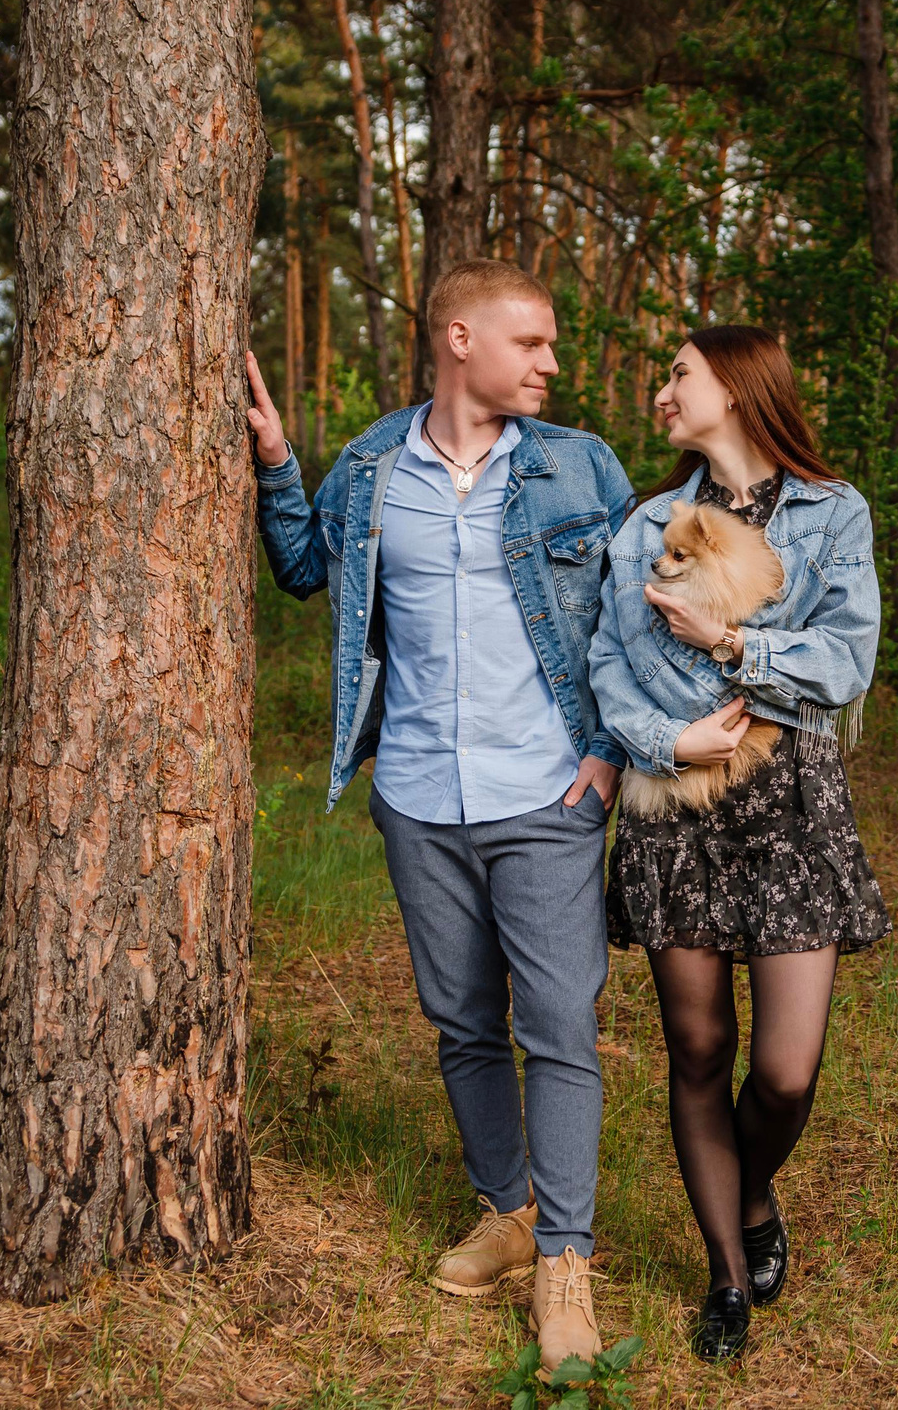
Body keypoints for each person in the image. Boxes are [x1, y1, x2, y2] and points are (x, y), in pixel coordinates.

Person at [248, 260, 633, 1376]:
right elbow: (304, 572)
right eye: (534, 343)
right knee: (461, 1018)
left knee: (559, 1025)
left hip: (547, 793)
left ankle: (564, 1260)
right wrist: (278, 464)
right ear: (459, 339)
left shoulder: (577, 467)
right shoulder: (371, 466)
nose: (552, 364)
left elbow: (629, 615)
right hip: (418, 793)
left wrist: (609, 751)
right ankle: (506, 1211)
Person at [586, 324, 891, 1362]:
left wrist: (733, 647)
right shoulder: (643, 525)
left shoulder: (830, 512)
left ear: (735, 383)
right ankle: (725, 1274)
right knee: (699, 1048)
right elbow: (606, 666)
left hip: (790, 803)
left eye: (678, 372)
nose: (662, 388)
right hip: (675, 803)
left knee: (786, 1071)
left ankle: (752, 1188)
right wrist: (663, 736)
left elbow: (846, 661)